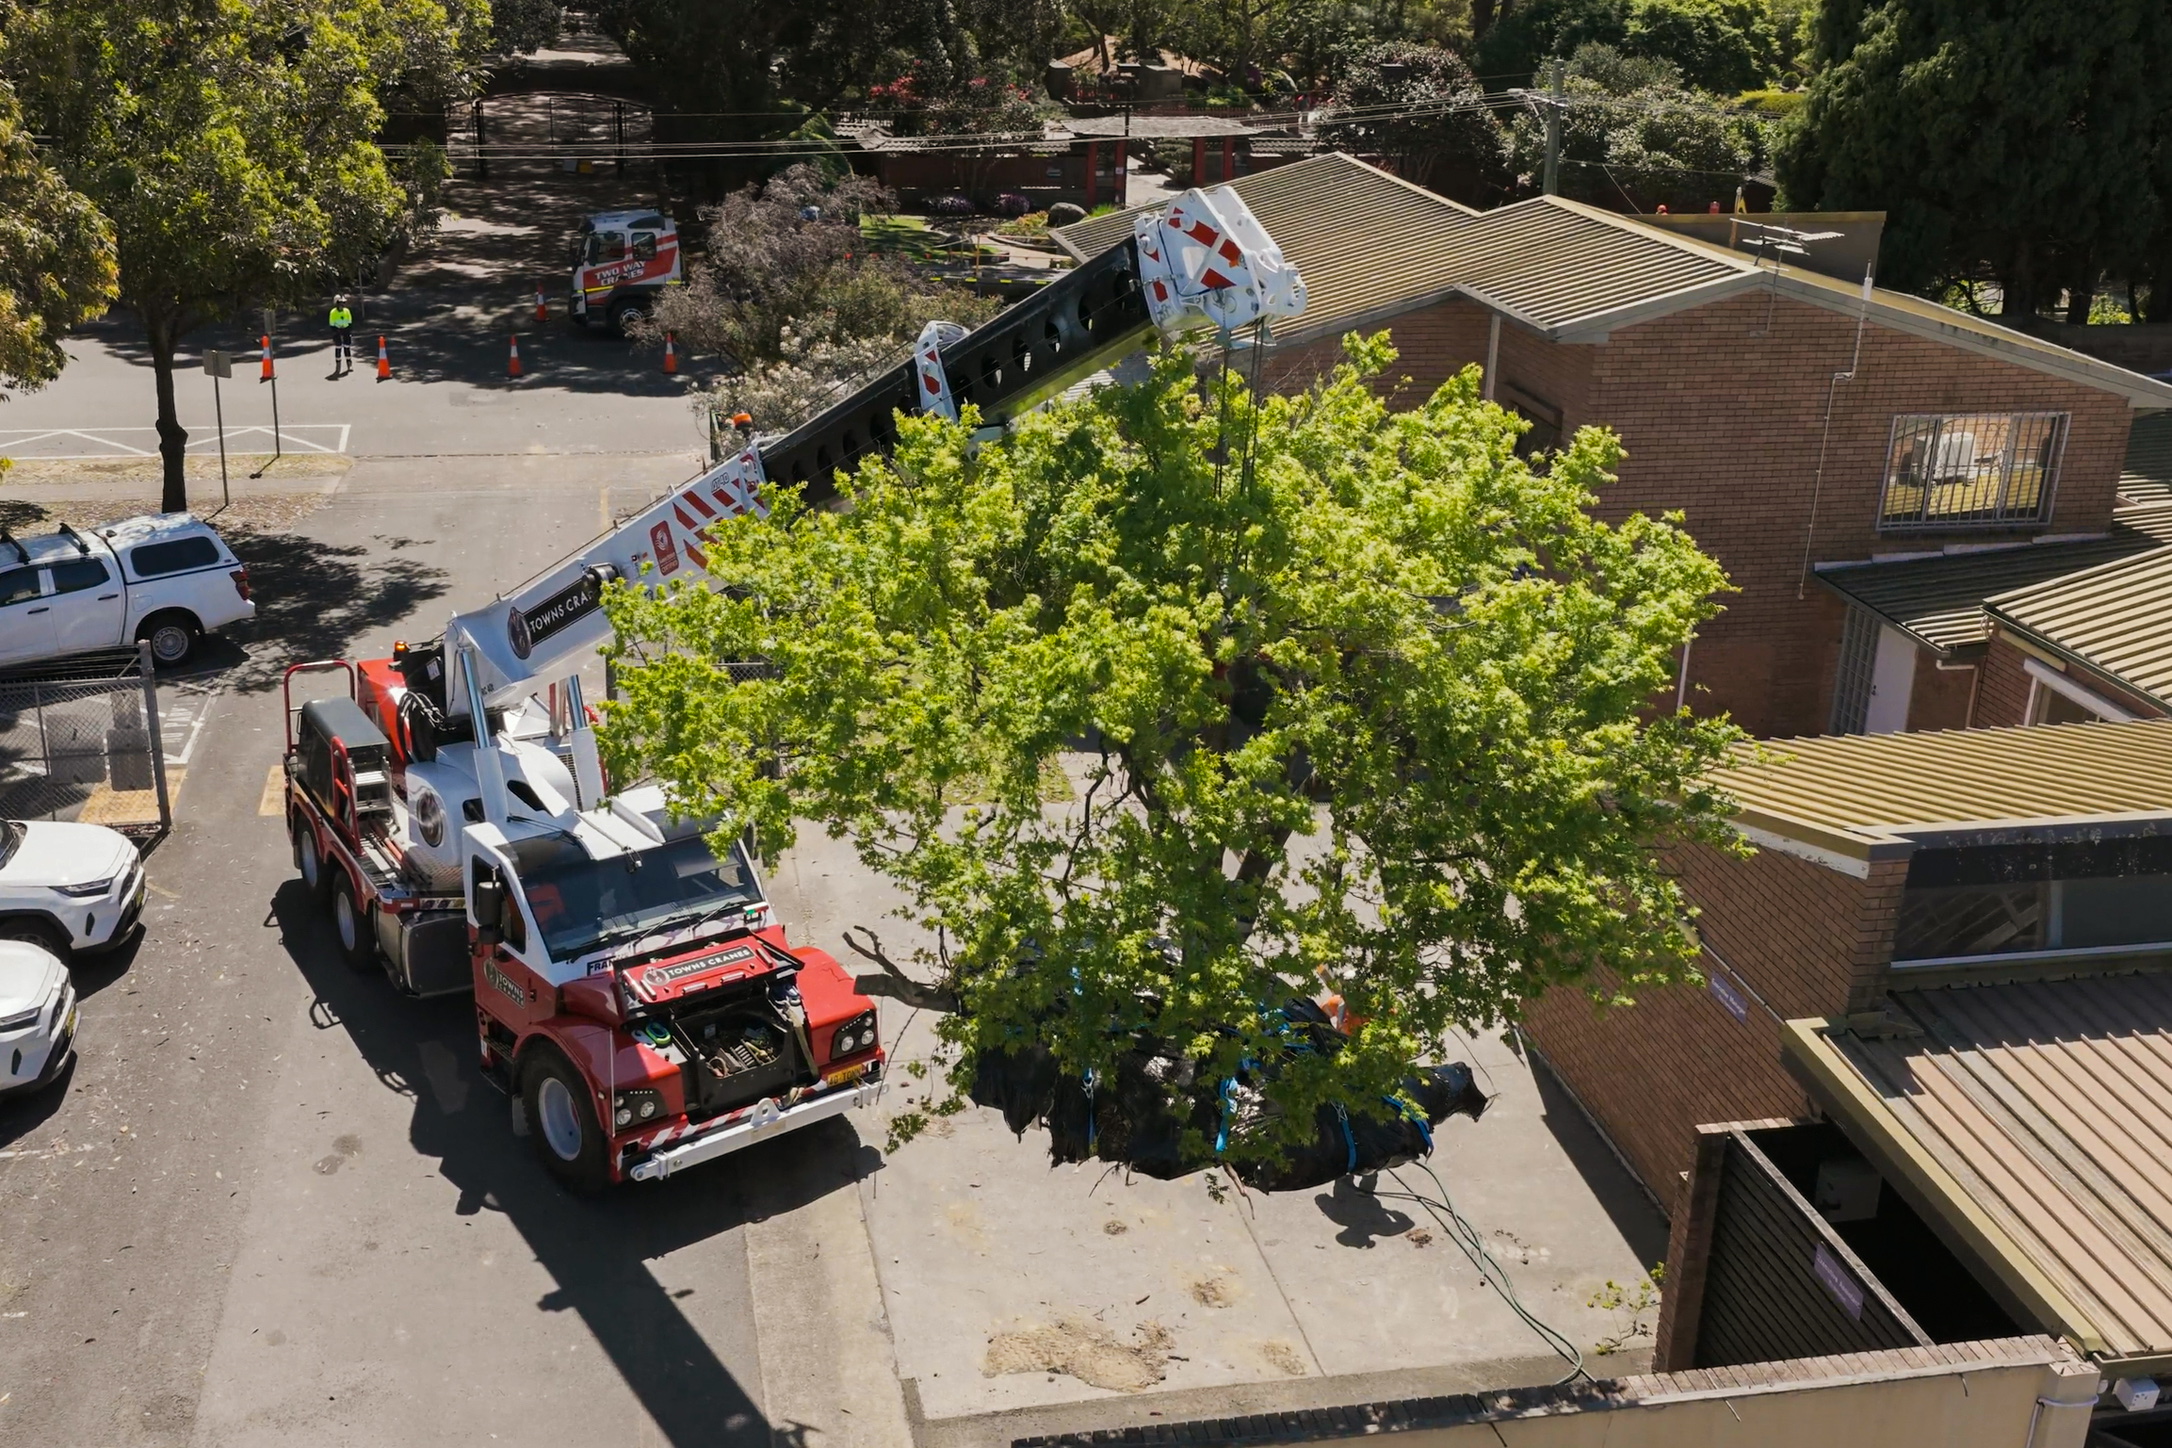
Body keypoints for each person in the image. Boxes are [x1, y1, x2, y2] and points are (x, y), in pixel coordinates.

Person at [328, 295, 354, 373]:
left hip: (346, 329)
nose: (342, 305)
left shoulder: (347, 311)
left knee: (347, 346)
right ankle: (338, 365)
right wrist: (336, 331)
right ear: (336, 303)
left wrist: (348, 331)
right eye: (340, 303)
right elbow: (331, 324)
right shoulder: (333, 312)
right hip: (337, 330)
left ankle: (349, 363)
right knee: (338, 347)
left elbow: (350, 322)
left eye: (343, 303)